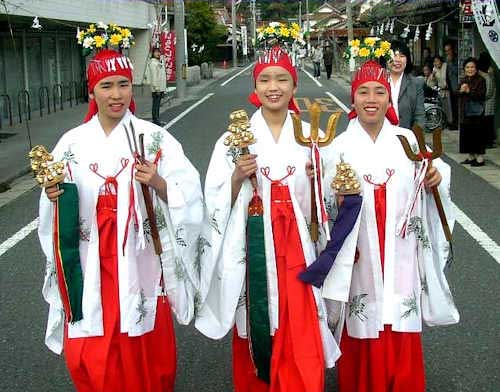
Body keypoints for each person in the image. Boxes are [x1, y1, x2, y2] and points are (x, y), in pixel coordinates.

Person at [38, 49, 204, 391]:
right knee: (90, 342)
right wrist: (55, 196)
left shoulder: (155, 138)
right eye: (106, 86)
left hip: (139, 256)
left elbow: (189, 193)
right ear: (92, 91)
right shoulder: (72, 142)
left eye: (124, 85)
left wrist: (157, 182)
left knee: (140, 334)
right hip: (89, 257)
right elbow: (53, 201)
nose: (116, 95)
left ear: (133, 86)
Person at [196, 45, 340, 392]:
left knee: (301, 324)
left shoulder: (314, 137)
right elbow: (213, 201)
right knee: (258, 320)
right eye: (264, 79)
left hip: (301, 250)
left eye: (282, 79)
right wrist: (235, 178)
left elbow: (334, 199)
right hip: (253, 250)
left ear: (294, 85)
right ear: (255, 86)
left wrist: (318, 177)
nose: (273, 87)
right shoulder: (233, 139)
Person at [319, 59, 459, 392]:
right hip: (360, 251)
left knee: (400, 311)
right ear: (352, 99)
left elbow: (435, 172)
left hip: (400, 248)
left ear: (388, 98)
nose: (371, 98)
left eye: (379, 91)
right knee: (361, 314)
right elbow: (321, 203)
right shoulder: (337, 148)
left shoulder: (407, 141)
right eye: (363, 91)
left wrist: (435, 179)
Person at [386, 41, 425, 130]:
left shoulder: (415, 84)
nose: (397, 60)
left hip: (406, 137)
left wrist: (415, 137)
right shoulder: (379, 80)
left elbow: (419, 116)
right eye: (394, 55)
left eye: (402, 56)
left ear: (407, 60)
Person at [458, 57, 487, 166]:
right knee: (467, 134)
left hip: (477, 112)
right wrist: (461, 90)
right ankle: (471, 156)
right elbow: (457, 93)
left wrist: (469, 91)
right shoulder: (464, 79)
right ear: (464, 69)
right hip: (465, 112)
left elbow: (481, 95)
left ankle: (480, 158)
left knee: (477, 134)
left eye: (472, 67)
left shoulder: (481, 80)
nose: (470, 69)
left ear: (476, 68)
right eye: (467, 67)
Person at [478, 52, 497, 148]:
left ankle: (488, 141)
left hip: (487, 99)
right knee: (488, 121)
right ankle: (489, 140)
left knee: (486, 121)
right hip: (488, 99)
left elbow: (489, 86)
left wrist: (483, 96)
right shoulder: (488, 69)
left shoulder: (488, 71)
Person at [144, 47, 167, 126]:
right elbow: (154, 77)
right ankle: (156, 120)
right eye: (156, 52)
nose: (158, 54)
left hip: (160, 87)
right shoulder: (153, 63)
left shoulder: (158, 62)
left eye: (159, 52)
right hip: (156, 88)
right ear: (153, 54)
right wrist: (156, 88)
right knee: (156, 104)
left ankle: (156, 119)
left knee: (157, 104)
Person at [431, 55, 453, 127]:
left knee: (449, 108)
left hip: (448, 90)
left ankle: (450, 123)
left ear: (441, 61)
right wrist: (433, 76)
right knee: (442, 107)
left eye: (437, 61)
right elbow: (431, 83)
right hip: (440, 91)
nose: (436, 63)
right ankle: (444, 123)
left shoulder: (446, 66)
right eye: (435, 61)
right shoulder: (434, 69)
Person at [444, 42, 459, 129]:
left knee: (457, 106)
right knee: (452, 106)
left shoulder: (456, 59)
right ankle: (453, 122)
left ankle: (456, 123)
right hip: (450, 86)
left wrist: (450, 63)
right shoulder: (447, 60)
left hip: (457, 85)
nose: (447, 52)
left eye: (449, 50)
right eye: (446, 51)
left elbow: (458, 71)